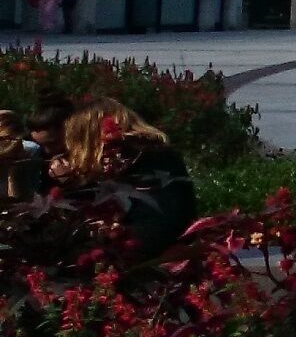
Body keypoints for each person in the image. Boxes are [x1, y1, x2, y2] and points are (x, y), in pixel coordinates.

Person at [56, 100, 194, 256]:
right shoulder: (157, 157)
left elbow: (155, 226)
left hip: (144, 259)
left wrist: (68, 184)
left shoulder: (138, 161)